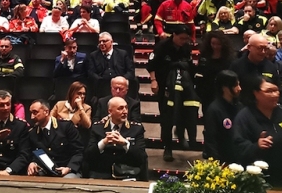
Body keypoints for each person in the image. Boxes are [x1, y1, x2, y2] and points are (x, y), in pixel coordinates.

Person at [233, 77, 282, 190]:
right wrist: (256, 146)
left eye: (276, 90)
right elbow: (237, 146)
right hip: (256, 183)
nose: (274, 95)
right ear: (256, 93)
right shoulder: (245, 117)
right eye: (269, 91)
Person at [146, 24, 197, 161]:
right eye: (181, 38)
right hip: (165, 86)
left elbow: (190, 66)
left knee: (184, 112)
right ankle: (167, 147)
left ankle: (181, 133)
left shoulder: (186, 47)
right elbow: (151, 65)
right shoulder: (162, 46)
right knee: (166, 118)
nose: (183, 41)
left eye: (186, 38)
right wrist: (153, 81)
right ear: (174, 35)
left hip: (183, 86)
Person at [85, 96, 148, 180]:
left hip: (127, 175)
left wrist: (125, 144)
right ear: (110, 111)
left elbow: (142, 157)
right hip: (101, 174)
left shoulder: (136, 129)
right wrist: (104, 142)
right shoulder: (97, 128)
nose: (125, 111)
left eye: (126, 108)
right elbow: (88, 156)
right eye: (120, 108)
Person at [26, 99, 84, 178]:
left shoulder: (65, 127)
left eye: (35, 113)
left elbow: (78, 151)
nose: (32, 117)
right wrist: (33, 163)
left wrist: (69, 168)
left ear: (46, 112)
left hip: (68, 170)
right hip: (46, 171)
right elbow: (34, 153)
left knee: (66, 181)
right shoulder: (33, 133)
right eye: (31, 113)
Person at [203, 70, 243, 164]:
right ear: (225, 88)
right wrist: (217, 164)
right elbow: (211, 140)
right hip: (223, 161)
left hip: (239, 159)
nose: (239, 88)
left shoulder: (240, 107)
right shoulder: (214, 110)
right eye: (235, 85)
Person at [83, 32, 135, 97]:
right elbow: (91, 73)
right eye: (100, 42)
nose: (101, 44)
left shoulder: (122, 54)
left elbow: (130, 71)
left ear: (111, 42)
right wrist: (101, 81)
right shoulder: (93, 55)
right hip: (101, 86)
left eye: (104, 41)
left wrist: (121, 81)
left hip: (119, 85)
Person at [0, 90, 30, 175]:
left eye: (8, 104)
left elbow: (24, 154)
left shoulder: (20, 126)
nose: (6, 108)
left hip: (11, 172)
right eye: (1, 105)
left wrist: (9, 170)